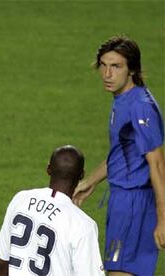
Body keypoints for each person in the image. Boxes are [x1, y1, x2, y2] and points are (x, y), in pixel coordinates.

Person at [73, 36, 165, 276]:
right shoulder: (123, 100)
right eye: (103, 65)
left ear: (132, 69)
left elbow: (157, 166)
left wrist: (163, 218)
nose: (107, 73)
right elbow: (122, 153)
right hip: (122, 201)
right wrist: (89, 182)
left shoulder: (140, 107)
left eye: (116, 66)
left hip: (134, 204)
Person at [0, 145, 105, 276]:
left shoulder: (21, 199)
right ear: (82, 175)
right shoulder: (83, 225)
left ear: (48, 169)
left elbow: (1, 262)